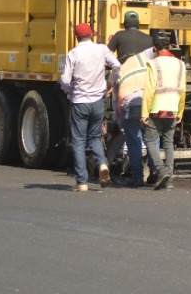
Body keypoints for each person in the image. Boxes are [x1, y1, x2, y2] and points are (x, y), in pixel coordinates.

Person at [61, 22, 120, 191]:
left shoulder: (74, 53)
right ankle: (102, 164)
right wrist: (110, 83)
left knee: (79, 141)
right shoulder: (101, 49)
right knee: (94, 137)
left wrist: (68, 92)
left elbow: (65, 80)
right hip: (98, 100)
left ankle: (82, 182)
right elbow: (116, 66)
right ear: (91, 35)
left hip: (80, 101)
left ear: (77, 36)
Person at [143, 30, 186, 190]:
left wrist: (144, 113)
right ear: (169, 46)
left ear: (154, 48)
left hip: (156, 107)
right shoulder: (180, 64)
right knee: (168, 143)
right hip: (173, 107)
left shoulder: (153, 64)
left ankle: (161, 171)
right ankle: (168, 177)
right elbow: (183, 89)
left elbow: (149, 89)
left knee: (150, 140)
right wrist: (180, 111)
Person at [114, 42, 159, 187]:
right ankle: (156, 172)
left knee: (134, 142)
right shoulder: (146, 61)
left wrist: (118, 121)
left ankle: (137, 178)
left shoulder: (121, 70)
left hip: (131, 106)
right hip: (149, 103)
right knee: (152, 140)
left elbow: (117, 100)